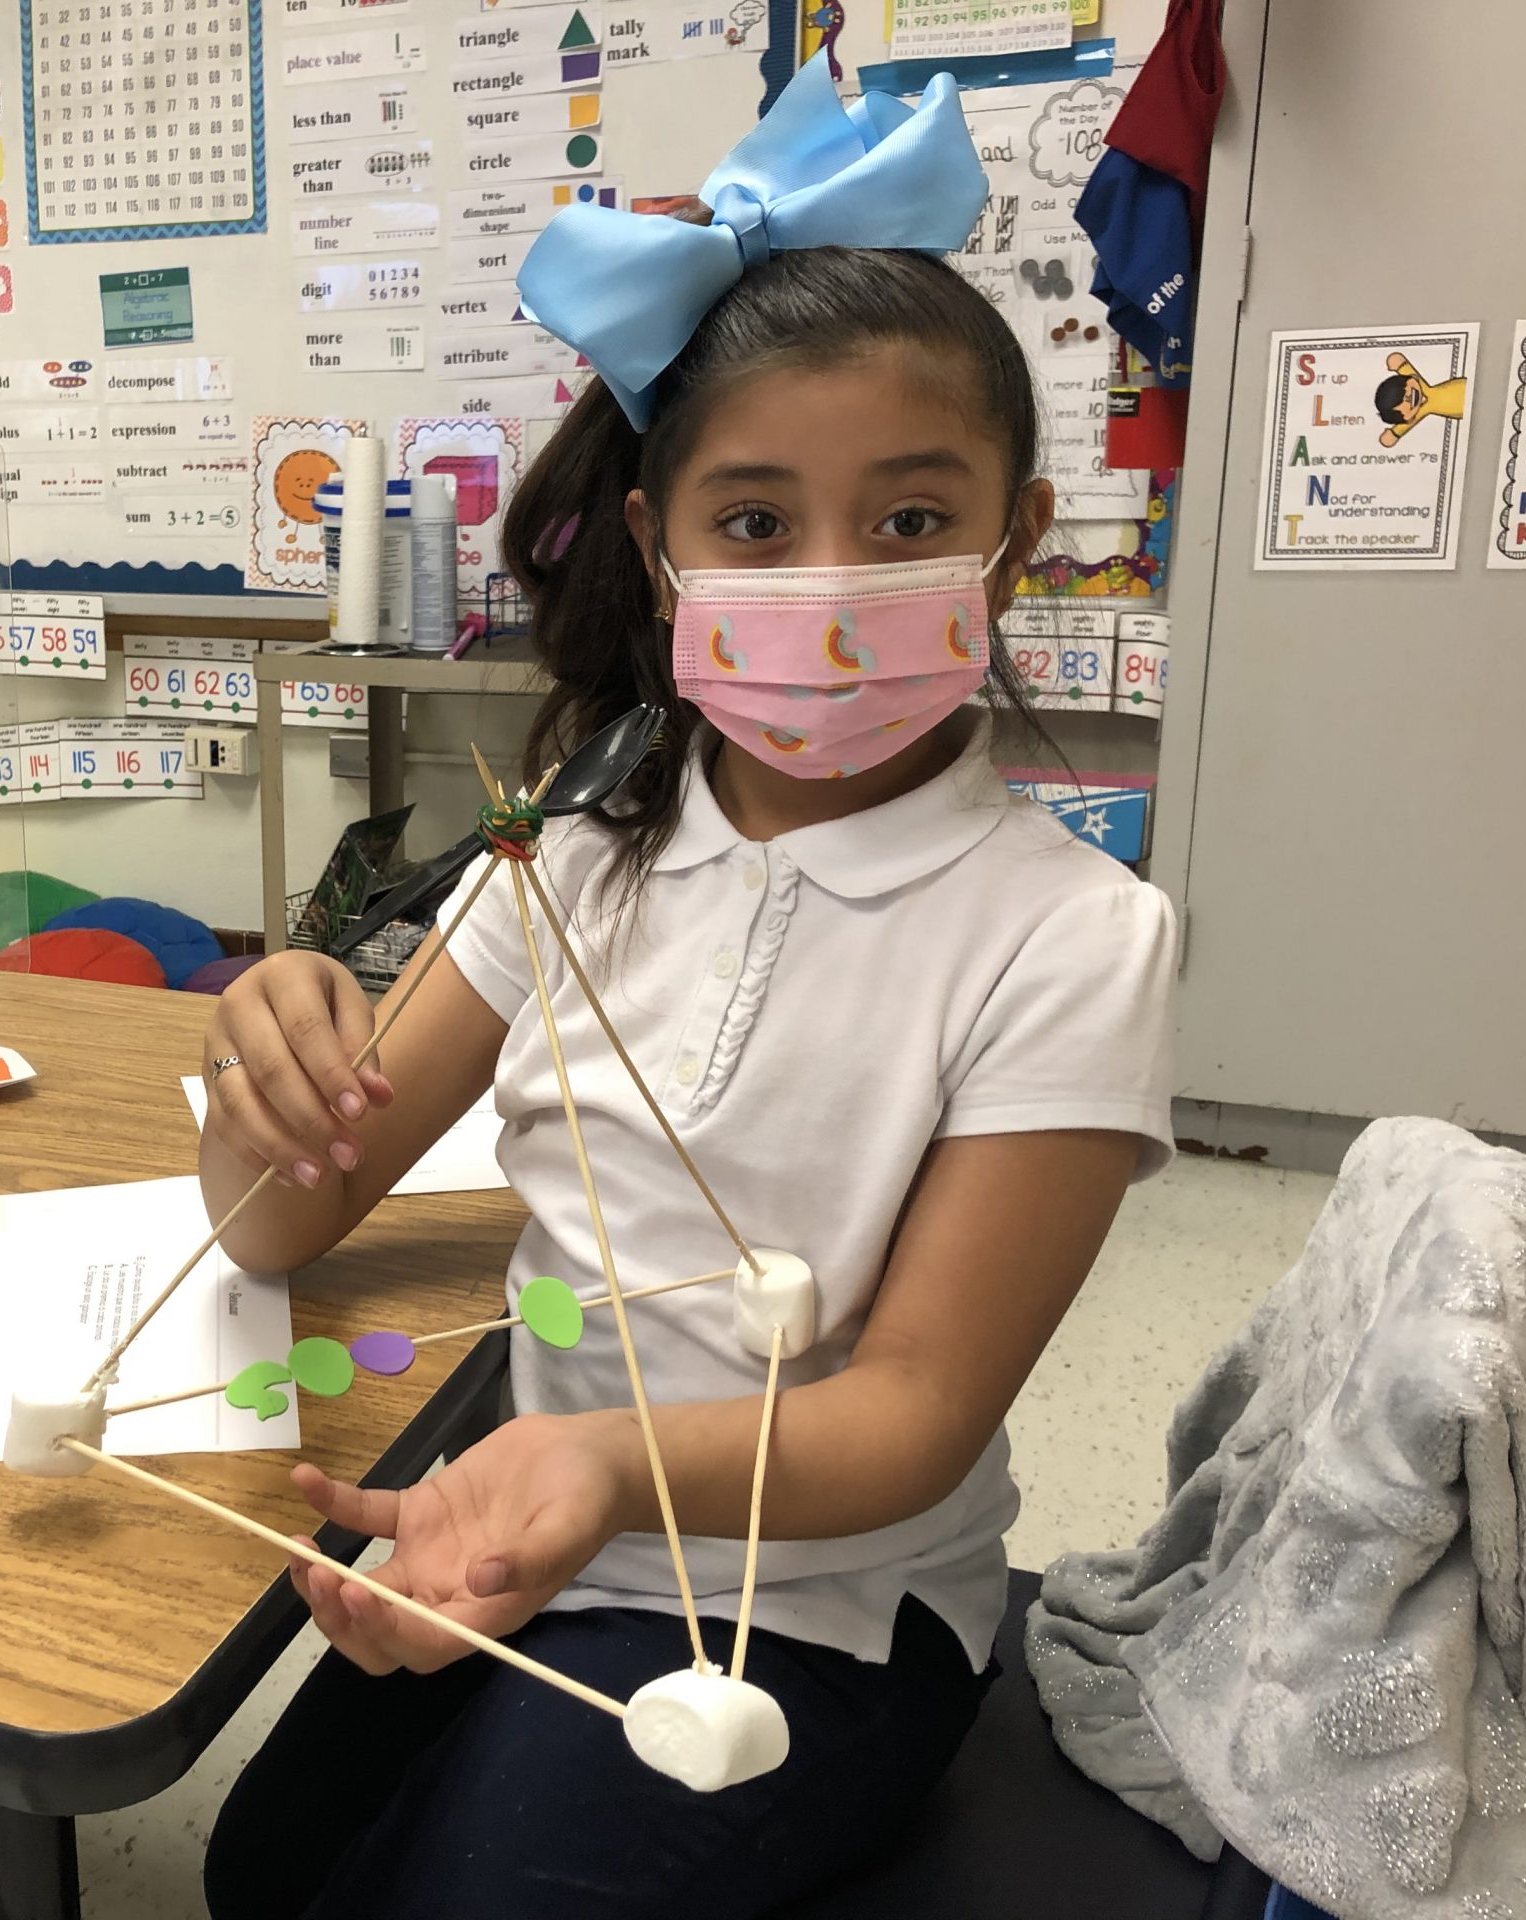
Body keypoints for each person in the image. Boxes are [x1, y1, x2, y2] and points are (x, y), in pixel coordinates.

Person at [198, 57, 1177, 1920]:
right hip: (542, 1530)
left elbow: (915, 1410)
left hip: (821, 1610)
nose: (830, 585)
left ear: (1018, 537)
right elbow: (281, 1217)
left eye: (910, 523)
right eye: (754, 525)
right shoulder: (569, 862)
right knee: (266, 1874)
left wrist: (590, 1467)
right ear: (657, 551)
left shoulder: (1074, 938)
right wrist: (265, 1071)